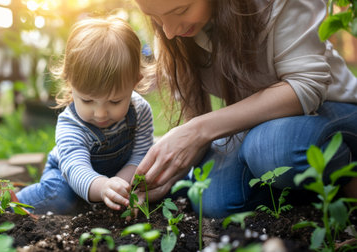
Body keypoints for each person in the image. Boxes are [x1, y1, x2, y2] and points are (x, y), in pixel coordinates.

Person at [132, 0, 357, 218]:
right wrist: (168, 172)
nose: (169, 31)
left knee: (271, 150)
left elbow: (305, 86)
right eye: (156, 17)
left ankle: (348, 172)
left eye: (181, 9)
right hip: (263, 125)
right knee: (213, 199)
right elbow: (195, 127)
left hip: (332, 106)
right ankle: (307, 194)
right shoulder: (176, 30)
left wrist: (198, 130)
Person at [16, 16, 154, 214]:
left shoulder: (140, 111)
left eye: (115, 101)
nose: (100, 113)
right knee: (61, 197)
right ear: (70, 84)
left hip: (116, 174)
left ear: (135, 82)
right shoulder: (71, 124)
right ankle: (10, 203)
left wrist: (120, 186)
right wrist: (104, 187)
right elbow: (76, 168)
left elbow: (140, 155)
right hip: (68, 177)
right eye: (88, 101)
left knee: (159, 183)